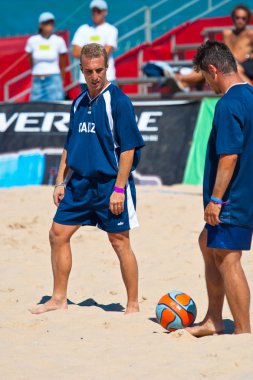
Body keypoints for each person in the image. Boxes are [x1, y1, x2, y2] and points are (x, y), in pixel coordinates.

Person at [30, 43, 144, 315]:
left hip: (109, 185)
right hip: (79, 184)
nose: (95, 76)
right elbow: (70, 144)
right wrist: (60, 181)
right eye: (89, 71)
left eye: (99, 70)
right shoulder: (79, 101)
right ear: (81, 70)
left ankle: (132, 305)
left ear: (107, 68)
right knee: (57, 235)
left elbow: (128, 149)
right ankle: (59, 299)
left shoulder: (118, 101)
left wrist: (118, 189)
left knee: (119, 241)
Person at [187, 40, 252, 337]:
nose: (207, 83)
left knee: (228, 258)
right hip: (245, 191)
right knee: (207, 241)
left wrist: (215, 199)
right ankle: (214, 318)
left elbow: (229, 157)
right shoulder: (250, 95)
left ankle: (242, 331)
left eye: (205, 76)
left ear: (213, 69)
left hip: (233, 196)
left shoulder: (227, 104)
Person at [174, 4, 253, 90]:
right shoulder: (227, 33)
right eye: (237, 17)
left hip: (242, 65)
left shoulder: (250, 34)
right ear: (233, 18)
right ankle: (182, 84)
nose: (240, 21)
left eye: (243, 18)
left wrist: (247, 57)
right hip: (228, 63)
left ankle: (180, 79)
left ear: (247, 19)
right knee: (208, 65)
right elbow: (223, 51)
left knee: (212, 68)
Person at [72, 0, 118, 91]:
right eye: (94, 11)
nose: (96, 13)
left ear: (105, 12)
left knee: (109, 105)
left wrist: (86, 53)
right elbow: (75, 52)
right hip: (85, 80)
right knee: (88, 105)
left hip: (107, 78)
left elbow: (106, 52)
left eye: (99, 11)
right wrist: (98, 52)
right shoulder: (82, 29)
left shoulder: (111, 30)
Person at [25, 12, 67, 101]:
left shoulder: (58, 40)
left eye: (51, 23)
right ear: (41, 25)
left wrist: (61, 78)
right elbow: (30, 59)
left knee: (56, 105)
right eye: (46, 23)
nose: (49, 26)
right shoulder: (32, 41)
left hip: (53, 78)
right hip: (37, 79)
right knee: (35, 106)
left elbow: (63, 62)